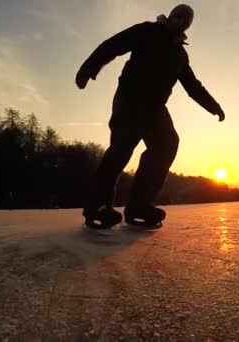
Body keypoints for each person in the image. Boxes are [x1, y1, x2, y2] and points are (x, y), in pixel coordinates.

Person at [76, 4, 225, 228]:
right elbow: (114, 44)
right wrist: (89, 67)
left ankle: (139, 205)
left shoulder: (180, 55)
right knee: (121, 149)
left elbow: (192, 85)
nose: (181, 22)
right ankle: (97, 206)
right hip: (130, 98)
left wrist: (214, 107)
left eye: (186, 21)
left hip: (155, 107)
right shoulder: (147, 31)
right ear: (171, 16)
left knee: (167, 144)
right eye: (178, 17)